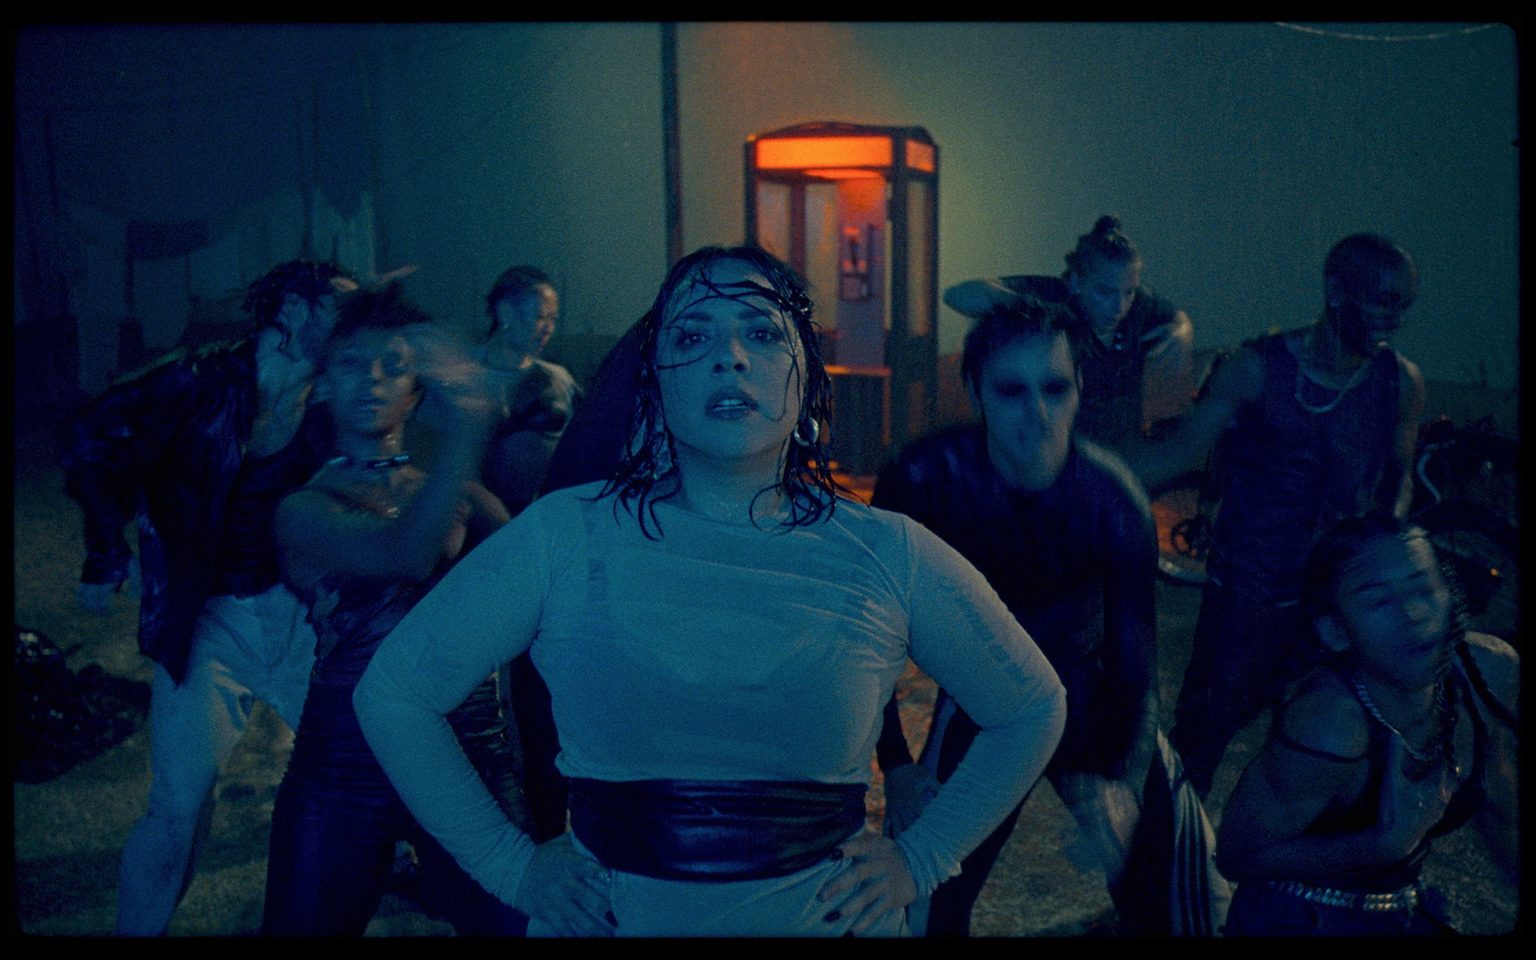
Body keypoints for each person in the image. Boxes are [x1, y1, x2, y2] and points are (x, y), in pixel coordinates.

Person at [353, 245, 1067, 937]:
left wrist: (921, 859)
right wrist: (510, 869)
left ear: (805, 374)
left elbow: (1032, 706)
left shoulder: (885, 551)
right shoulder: (564, 535)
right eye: (693, 336)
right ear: (655, 380)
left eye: (762, 333)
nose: (730, 357)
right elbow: (394, 693)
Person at [61, 259, 355, 935]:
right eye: (339, 308)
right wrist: (106, 551)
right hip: (208, 624)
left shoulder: (337, 393)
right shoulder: (198, 381)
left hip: (304, 622)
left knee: (373, 771)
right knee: (178, 809)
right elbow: (86, 437)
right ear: (292, 310)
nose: (354, 324)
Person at [872, 296, 1160, 935]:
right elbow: (870, 639)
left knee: (1161, 884)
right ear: (975, 393)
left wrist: (1122, 776)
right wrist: (896, 766)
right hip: (982, 700)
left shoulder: (1111, 496)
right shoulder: (924, 479)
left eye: (1055, 389)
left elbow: (1135, 653)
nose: (1038, 414)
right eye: (1012, 392)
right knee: (929, 896)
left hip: (1083, 690)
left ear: (1080, 389)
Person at [262, 285, 528, 935]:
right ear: (323, 385)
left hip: (466, 749)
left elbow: (544, 588)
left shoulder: (461, 496)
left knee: (522, 926)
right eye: (353, 363)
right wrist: (468, 424)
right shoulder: (302, 510)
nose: (373, 380)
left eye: (394, 365)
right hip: (345, 756)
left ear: (415, 392)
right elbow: (404, 553)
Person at [1122, 232, 1428, 796]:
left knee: (1325, 747)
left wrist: (1381, 559)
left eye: (1402, 306)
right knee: (1202, 737)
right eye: (1382, 301)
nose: (1394, 320)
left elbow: (1398, 474)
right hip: (1248, 595)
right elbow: (1178, 453)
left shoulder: (1399, 383)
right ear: (1336, 292)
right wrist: (1080, 470)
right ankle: (1164, 841)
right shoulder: (1256, 369)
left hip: (1333, 602)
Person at [1215, 512, 1519, 936]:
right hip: (1297, 916)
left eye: (1423, 587)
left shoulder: (1487, 671)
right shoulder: (1329, 725)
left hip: (1402, 908)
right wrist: (1381, 844)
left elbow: (1497, 794)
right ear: (1337, 631)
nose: (1413, 613)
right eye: (1379, 601)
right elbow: (1236, 856)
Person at [942, 215, 1196, 451]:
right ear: (1076, 282)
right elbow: (958, 296)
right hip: (1064, 453)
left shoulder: (1139, 303)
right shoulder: (1055, 296)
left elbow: (1178, 318)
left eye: (1128, 292)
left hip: (1125, 451)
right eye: (1105, 292)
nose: (1119, 307)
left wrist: (1181, 332)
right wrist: (1026, 305)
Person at [478, 264, 580, 517]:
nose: (548, 329)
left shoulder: (558, 379)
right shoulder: (464, 377)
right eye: (539, 317)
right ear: (506, 313)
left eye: (553, 319)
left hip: (548, 513)